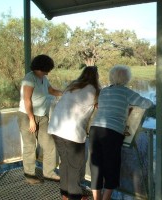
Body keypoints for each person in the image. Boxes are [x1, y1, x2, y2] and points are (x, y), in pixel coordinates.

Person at [89, 65, 153, 200]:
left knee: (96, 164)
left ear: (111, 77)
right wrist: (130, 106)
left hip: (95, 129)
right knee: (112, 165)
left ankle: (96, 198)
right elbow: (147, 103)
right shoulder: (126, 92)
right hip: (111, 132)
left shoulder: (104, 91)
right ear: (127, 78)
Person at [48, 66, 100, 200]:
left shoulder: (72, 86)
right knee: (75, 167)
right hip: (72, 133)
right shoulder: (95, 91)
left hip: (56, 128)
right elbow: (100, 107)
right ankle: (74, 196)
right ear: (96, 77)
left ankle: (65, 195)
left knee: (64, 163)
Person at [18, 54, 62, 185]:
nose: (48, 72)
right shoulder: (29, 78)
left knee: (49, 145)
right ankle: (30, 175)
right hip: (27, 116)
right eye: (47, 69)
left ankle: (49, 173)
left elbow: (51, 90)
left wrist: (66, 93)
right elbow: (27, 100)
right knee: (30, 146)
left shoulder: (43, 78)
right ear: (42, 67)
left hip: (42, 116)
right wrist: (31, 119)